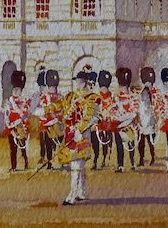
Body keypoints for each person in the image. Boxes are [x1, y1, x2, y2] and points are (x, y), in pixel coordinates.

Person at [47, 70, 99, 206]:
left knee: (77, 164)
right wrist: (47, 109)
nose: (78, 83)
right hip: (71, 133)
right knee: (77, 164)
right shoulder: (72, 95)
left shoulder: (92, 97)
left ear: (85, 82)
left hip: (82, 135)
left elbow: (92, 117)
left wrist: (80, 130)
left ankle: (72, 195)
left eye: (80, 81)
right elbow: (61, 104)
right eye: (77, 81)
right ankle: (81, 191)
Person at [4, 70, 32, 173]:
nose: (16, 91)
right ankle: (13, 166)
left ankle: (26, 162)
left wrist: (23, 123)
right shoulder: (10, 101)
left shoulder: (24, 101)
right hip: (12, 126)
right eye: (15, 89)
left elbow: (25, 114)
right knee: (13, 147)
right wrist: (9, 124)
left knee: (22, 147)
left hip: (20, 126)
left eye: (18, 89)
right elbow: (7, 113)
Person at [112, 68, 138, 172]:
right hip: (119, 124)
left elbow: (134, 112)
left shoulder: (133, 97)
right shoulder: (116, 97)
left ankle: (131, 162)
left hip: (128, 124)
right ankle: (121, 165)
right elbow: (113, 112)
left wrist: (124, 121)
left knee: (130, 144)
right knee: (119, 145)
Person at [36, 73, 61, 170]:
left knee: (57, 143)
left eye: (54, 87)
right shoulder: (44, 98)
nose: (52, 89)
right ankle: (49, 161)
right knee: (48, 143)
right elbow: (39, 110)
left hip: (57, 124)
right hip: (47, 124)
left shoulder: (60, 97)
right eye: (50, 87)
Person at [93, 70, 115, 171]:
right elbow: (95, 109)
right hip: (100, 122)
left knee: (106, 141)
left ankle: (105, 157)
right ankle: (96, 159)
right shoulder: (97, 96)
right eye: (103, 87)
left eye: (105, 87)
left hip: (108, 122)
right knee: (97, 141)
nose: (104, 89)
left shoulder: (112, 96)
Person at [137, 67, 158, 167]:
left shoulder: (152, 92)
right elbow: (144, 106)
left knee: (150, 141)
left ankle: (151, 157)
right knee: (143, 141)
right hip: (144, 118)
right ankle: (142, 158)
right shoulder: (144, 92)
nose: (149, 84)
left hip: (149, 120)